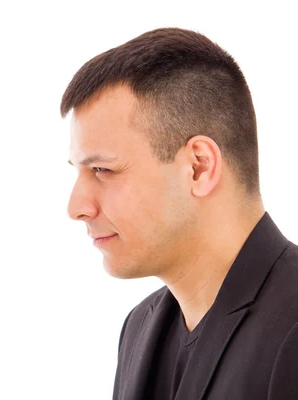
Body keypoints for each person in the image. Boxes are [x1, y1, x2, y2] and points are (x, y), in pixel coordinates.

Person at [61, 27, 298, 399]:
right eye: (78, 170)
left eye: (103, 170)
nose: (77, 207)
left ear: (199, 167)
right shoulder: (138, 328)